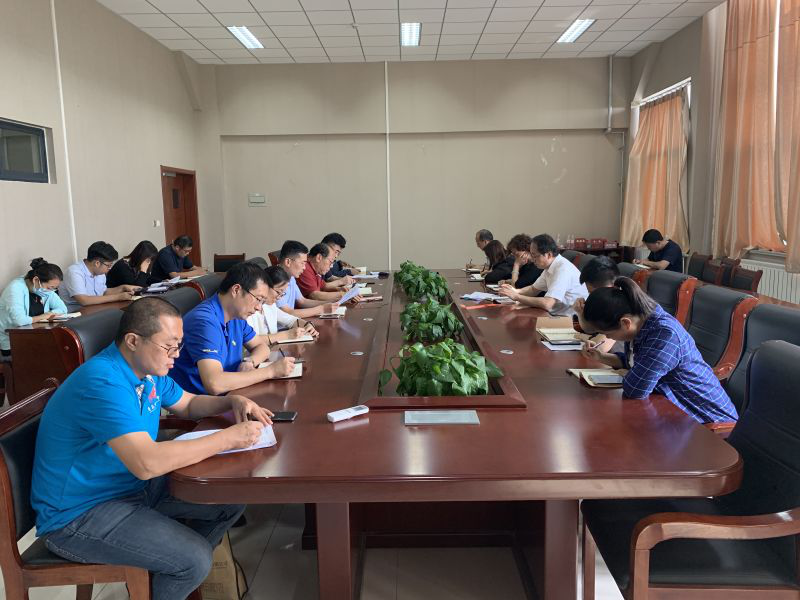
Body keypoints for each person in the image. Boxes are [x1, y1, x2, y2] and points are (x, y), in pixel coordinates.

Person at [31, 297, 269, 600]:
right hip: (78, 515)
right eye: (169, 346)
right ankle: (176, 572)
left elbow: (189, 403)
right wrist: (229, 438)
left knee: (228, 501)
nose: (176, 355)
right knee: (193, 560)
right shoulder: (103, 382)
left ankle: (162, 578)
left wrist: (231, 400)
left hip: (129, 488)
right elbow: (147, 463)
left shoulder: (149, 371)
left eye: (179, 345)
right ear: (133, 341)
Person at [580, 277, 739, 424]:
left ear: (625, 323)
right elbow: (634, 363)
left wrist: (631, 374)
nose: (607, 337)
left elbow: (635, 389)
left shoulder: (664, 335)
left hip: (707, 421)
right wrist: (601, 357)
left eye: (607, 333)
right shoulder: (641, 321)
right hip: (673, 411)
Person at [169, 262, 296, 396]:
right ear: (236, 290)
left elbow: (261, 346)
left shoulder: (236, 316)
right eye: (258, 299)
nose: (259, 308)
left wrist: (249, 361)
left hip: (232, 393)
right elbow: (215, 383)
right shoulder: (204, 321)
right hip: (204, 402)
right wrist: (271, 371)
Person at [499, 234, 588, 315]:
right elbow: (533, 289)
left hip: (569, 320)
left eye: (534, 255)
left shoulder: (562, 269)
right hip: (554, 314)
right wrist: (515, 291)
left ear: (548, 255)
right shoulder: (549, 266)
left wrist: (516, 296)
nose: (532, 259)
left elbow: (547, 303)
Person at [0, 258, 68, 356]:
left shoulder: (46, 290)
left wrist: (49, 314)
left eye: (55, 288)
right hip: (13, 342)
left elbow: (62, 309)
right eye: (50, 288)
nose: (52, 291)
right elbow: (19, 321)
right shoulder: (15, 288)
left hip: (36, 336)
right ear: (36, 280)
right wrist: (44, 316)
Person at [246, 265, 318, 344]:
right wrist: (286, 335)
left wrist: (307, 325)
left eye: (282, 294)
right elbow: (250, 340)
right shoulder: (248, 310)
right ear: (265, 286)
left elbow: (291, 320)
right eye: (278, 292)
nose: (279, 297)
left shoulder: (270, 306)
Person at [60, 241, 140, 307]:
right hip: (75, 314)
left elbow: (103, 292)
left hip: (95, 309)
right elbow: (84, 300)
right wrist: (118, 297)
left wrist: (123, 288)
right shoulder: (74, 272)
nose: (109, 269)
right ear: (97, 263)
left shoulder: (99, 273)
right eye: (108, 265)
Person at [275, 241, 338, 319]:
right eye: (302, 263)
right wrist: (321, 309)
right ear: (288, 262)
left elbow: (302, 301)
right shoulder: (276, 280)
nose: (304, 267)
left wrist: (331, 302)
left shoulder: (291, 277)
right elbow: (288, 313)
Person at [573, 256, 620, 353]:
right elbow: (590, 329)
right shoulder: (603, 298)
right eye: (589, 292)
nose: (591, 296)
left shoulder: (620, 304)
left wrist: (583, 337)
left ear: (611, 285)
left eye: (592, 292)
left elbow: (599, 347)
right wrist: (580, 313)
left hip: (616, 357)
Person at [297, 244, 361, 301]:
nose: (331, 266)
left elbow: (323, 286)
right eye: (330, 262)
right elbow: (314, 295)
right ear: (319, 258)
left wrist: (339, 289)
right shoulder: (305, 268)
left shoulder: (315, 269)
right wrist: (344, 294)